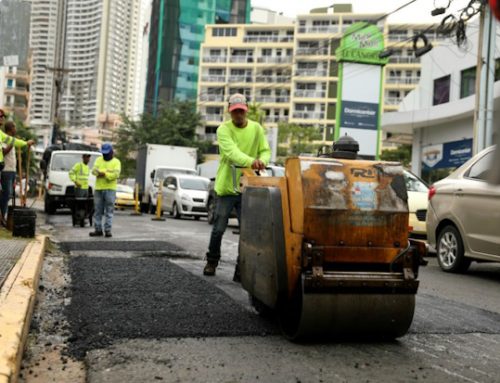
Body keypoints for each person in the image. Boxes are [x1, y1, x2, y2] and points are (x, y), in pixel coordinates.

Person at [204, 93, 271, 277]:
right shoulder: (223, 130)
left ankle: (241, 268)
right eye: (235, 112)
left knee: (247, 233)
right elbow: (232, 153)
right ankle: (212, 261)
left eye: (241, 111)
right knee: (218, 229)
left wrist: (262, 161)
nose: (238, 115)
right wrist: (253, 161)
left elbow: (265, 150)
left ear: (246, 110)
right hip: (226, 188)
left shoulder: (256, 129)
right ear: (229, 111)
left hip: (248, 188)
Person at [0, 119, 34, 226]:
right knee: (6, 195)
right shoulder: (6, 139)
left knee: (9, 194)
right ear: (10, 129)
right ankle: (2, 217)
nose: (16, 129)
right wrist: (12, 142)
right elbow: (4, 152)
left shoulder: (11, 139)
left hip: (12, 171)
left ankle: (4, 217)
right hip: (6, 171)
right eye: (14, 127)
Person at [89, 143, 121, 238]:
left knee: (109, 211)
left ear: (111, 152)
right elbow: (94, 171)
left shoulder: (116, 162)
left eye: (107, 153)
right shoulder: (98, 160)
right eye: (103, 153)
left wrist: (104, 174)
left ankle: (107, 230)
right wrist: (102, 173)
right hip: (99, 189)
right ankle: (98, 229)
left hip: (110, 189)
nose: (105, 155)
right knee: (98, 210)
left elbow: (115, 175)